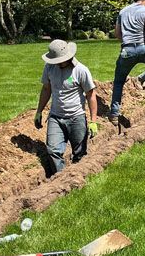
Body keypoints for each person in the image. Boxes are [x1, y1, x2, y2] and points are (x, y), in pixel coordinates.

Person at [34, 39, 98, 174]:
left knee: (79, 153)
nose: (56, 63)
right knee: (53, 150)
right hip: (55, 117)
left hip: (76, 117)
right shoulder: (49, 67)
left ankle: (78, 180)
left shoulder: (81, 70)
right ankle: (60, 179)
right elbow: (46, 89)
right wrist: (39, 111)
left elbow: (91, 95)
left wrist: (93, 121)